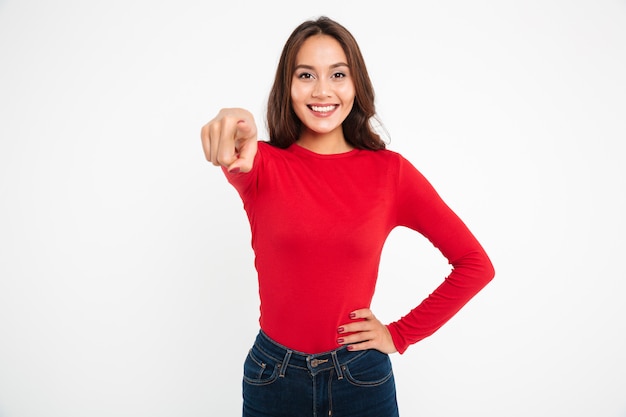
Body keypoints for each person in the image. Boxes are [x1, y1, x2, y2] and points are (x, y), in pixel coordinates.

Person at [201, 16, 494, 417]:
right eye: (306, 75)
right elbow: (237, 146)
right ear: (287, 85)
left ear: (356, 83)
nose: (323, 90)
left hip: (360, 378)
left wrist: (399, 334)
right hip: (274, 377)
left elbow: (475, 265)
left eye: (338, 74)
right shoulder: (262, 164)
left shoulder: (390, 173)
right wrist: (235, 120)